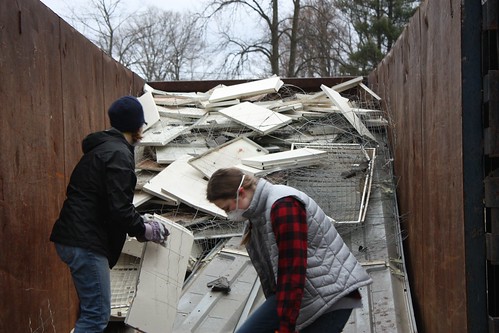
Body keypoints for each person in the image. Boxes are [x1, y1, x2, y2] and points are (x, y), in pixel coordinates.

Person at [50, 95, 169, 333]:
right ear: (138, 126)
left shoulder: (103, 149)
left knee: (92, 314)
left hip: (75, 237)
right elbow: (120, 208)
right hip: (85, 242)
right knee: (95, 318)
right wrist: (144, 229)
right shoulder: (119, 154)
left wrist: (139, 223)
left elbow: (110, 202)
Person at [206, 167, 372, 333]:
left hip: (329, 296)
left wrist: (286, 327)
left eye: (228, 208)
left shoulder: (283, 206)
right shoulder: (257, 213)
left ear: (241, 192)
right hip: (303, 294)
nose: (229, 214)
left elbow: (293, 270)